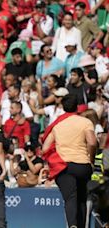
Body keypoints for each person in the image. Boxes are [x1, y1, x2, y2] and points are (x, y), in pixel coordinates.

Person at [42, 94, 96, 228]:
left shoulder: (58, 125)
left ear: (63, 107)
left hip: (64, 166)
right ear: (77, 106)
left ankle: (72, 225)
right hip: (83, 165)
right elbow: (92, 142)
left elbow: (45, 148)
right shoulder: (85, 122)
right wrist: (91, 160)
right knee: (82, 199)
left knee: (70, 198)